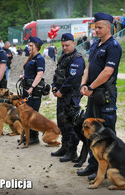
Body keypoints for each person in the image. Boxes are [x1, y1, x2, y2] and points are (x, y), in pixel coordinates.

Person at [76, 12, 122, 181]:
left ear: (109, 27)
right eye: (95, 27)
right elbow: (88, 67)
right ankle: (93, 165)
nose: (96, 30)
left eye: (100, 27)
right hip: (92, 94)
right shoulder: (95, 45)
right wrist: (84, 84)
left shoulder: (114, 47)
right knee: (91, 132)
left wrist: (91, 87)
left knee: (106, 134)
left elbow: (107, 72)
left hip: (105, 96)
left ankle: (109, 169)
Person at [51, 33, 85, 162]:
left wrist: (61, 91)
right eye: (63, 45)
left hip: (71, 96)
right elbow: (57, 73)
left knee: (71, 125)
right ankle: (64, 148)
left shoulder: (77, 59)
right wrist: (54, 87)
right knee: (62, 122)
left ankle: (72, 152)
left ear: (73, 44)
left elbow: (73, 79)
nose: (65, 48)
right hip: (61, 95)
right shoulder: (63, 57)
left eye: (67, 45)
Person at [19, 36, 45, 144]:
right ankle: (28, 136)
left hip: (33, 91)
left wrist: (32, 87)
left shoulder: (39, 59)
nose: (29, 47)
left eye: (31, 46)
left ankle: (34, 137)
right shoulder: (32, 58)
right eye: (28, 45)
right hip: (27, 89)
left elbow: (40, 74)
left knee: (32, 115)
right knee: (26, 114)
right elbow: (31, 73)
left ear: (37, 46)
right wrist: (24, 77)